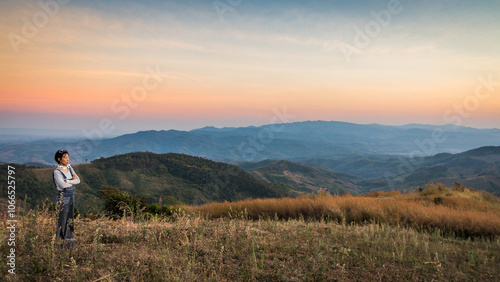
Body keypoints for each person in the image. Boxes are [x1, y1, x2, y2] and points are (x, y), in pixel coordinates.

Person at [53, 149, 80, 248]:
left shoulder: (70, 168)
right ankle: (60, 244)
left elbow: (78, 180)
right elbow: (62, 185)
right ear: (59, 159)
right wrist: (71, 180)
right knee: (62, 220)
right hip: (63, 196)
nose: (67, 159)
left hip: (71, 195)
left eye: (68, 157)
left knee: (70, 220)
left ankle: (69, 243)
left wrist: (67, 181)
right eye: (64, 157)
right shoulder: (57, 172)